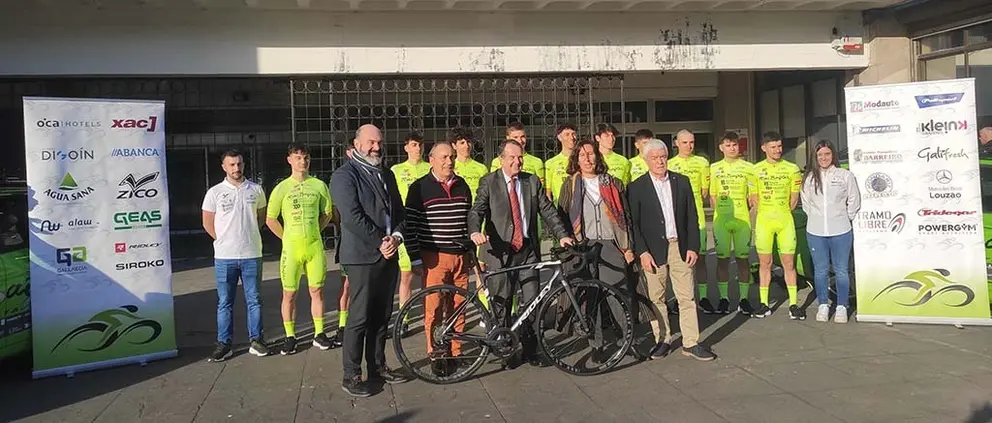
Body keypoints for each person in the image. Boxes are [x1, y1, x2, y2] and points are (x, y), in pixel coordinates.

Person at [469, 140, 574, 368]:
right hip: (500, 252)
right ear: (501, 160)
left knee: (532, 301)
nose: (517, 161)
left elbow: (547, 210)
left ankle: (531, 348)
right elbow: (477, 209)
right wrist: (475, 231)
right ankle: (505, 349)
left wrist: (562, 234)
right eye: (512, 158)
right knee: (501, 303)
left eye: (520, 157)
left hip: (527, 251)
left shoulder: (531, 181)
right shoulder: (489, 182)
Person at [330, 124, 412, 397]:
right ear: (357, 144)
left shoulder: (386, 173)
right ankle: (351, 374)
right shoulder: (344, 175)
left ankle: (377, 366)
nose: (376, 147)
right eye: (370, 142)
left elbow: (399, 211)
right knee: (360, 316)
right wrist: (380, 240)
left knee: (382, 315)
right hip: (362, 256)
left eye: (379, 141)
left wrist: (396, 238)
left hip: (389, 253)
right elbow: (352, 217)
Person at [627, 139, 715, 361]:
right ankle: (663, 340)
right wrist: (642, 252)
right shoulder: (637, 187)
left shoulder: (682, 182)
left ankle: (691, 342)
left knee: (686, 296)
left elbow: (692, 217)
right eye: (654, 158)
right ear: (646, 160)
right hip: (653, 250)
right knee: (657, 297)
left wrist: (693, 246)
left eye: (662, 157)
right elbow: (633, 224)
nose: (659, 161)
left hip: (679, 246)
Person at [555, 139, 635, 360]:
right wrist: (567, 241)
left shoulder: (613, 183)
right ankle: (596, 345)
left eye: (591, 154)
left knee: (618, 293)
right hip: (584, 246)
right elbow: (560, 217)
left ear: (598, 157)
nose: (587, 159)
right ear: (576, 160)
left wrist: (628, 247)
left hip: (611, 244)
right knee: (591, 296)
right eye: (582, 155)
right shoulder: (570, 185)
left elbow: (626, 217)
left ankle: (627, 339)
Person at [404, 142, 473, 377]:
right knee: (433, 309)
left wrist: (471, 251)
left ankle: (456, 351)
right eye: (443, 157)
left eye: (452, 157)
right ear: (431, 160)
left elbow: (469, 221)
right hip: (434, 257)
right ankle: (435, 353)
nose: (449, 161)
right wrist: (415, 259)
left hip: (461, 257)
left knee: (458, 306)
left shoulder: (462, 185)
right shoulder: (419, 188)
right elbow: (410, 226)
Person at [265, 144, 335, 355]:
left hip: (314, 246)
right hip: (291, 249)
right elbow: (270, 219)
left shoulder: (319, 185)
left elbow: (327, 213)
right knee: (289, 293)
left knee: (317, 291)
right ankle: (290, 336)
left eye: (305, 158)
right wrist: (286, 237)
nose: (302, 162)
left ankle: (319, 333)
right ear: (290, 160)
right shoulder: (281, 188)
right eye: (298, 158)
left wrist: (316, 231)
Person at [202, 150, 271, 361]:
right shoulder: (214, 192)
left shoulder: (256, 190)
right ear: (224, 167)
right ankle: (224, 343)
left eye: (239, 164)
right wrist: (223, 239)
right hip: (225, 257)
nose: (236, 168)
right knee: (225, 302)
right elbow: (207, 222)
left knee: (254, 300)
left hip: (251, 254)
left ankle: (256, 340)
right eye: (231, 165)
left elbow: (260, 217)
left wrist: (247, 236)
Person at [801, 140, 860, 323]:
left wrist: (843, 217)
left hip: (841, 230)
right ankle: (823, 304)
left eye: (827, 154)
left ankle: (842, 306)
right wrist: (817, 219)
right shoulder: (810, 178)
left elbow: (854, 200)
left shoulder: (845, 175)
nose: (824, 158)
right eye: (820, 155)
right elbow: (806, 205)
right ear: (815, 157)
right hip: (816, 232)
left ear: (832, 155)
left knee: (841, 270)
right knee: (820, 270)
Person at [749, 132, 804, 320]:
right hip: (764, 221)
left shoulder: (792, 169)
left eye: (779, 146)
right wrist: (766, 213)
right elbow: (753, 198)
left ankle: (794, 304)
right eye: (773, 147)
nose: (778, 150)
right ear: (764, 148)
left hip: (784, 221)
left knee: (789, 263)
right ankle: (764, 304)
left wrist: (780, 212)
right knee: (765, 264)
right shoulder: (755, 170)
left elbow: (794, 199)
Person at [709, 132, 757, 315]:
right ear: (721, 147)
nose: (732, 148)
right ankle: (723, 299)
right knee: (722, 260)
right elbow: (712, 195)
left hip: (742, 219)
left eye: (735, 145)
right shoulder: (714, 168)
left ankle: (744, 299)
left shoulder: (748, 167)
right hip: (721, 221)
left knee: (743, 260)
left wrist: (753, 206)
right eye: (728, 145)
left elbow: (753, 194)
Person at [667, 130, 713, 313]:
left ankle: (703, 297)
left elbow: (704, 192)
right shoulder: (670, 164)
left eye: (692, 142)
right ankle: (680, 299)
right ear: (676, 143)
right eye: (684, 142)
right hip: (675, 218)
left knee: (699, 259)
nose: (689, 146)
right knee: (676, 262)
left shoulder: (702, 163)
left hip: (697, 217)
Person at [391, 132, 431, 337]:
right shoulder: (397, 170)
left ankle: (429, 317)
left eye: (420, 145)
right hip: (406, 225)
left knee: (428, 276)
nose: (417, 148)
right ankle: (403, 318)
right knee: (405, 275)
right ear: (406, 147)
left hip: (427, 225)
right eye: (413, 145)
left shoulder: (429, 168)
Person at [451, 127, 494, 314]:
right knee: (458, 271)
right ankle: (456, 313)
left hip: (478, 223)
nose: (466, 145)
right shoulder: (452, 166)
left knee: (480, 268)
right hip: (457, 222)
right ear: (454, 146)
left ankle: (484, 311)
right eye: (461, 142)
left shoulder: (481, 168)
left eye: (468, 142)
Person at [545, 123, 578, 201]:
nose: (571, 137)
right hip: (561, 207)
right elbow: (548, 193)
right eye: (567, 134)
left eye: (573, 134)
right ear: (559, 137)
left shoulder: (582, 160)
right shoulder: (550, 163)